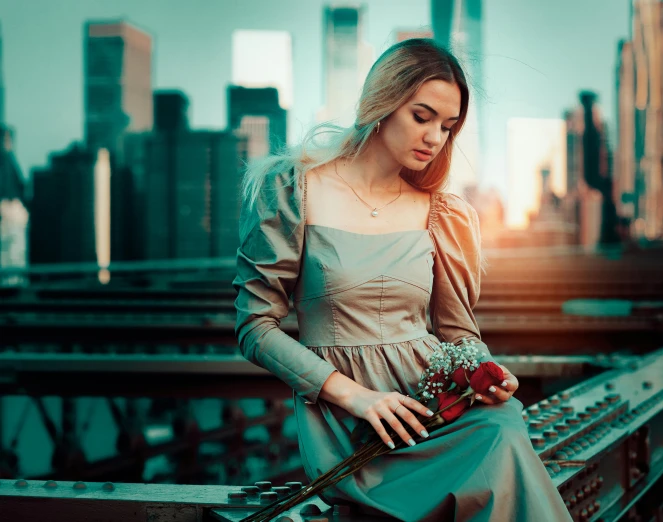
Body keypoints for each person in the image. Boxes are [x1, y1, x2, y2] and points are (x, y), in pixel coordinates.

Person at [233, 38, 571, 521]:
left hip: (439, 409)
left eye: (448, 126)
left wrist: (487, 372)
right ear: (383, 103)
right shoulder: (294, 190)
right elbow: (255, 327)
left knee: (501, 432)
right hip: (355, 424)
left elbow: (458, 335)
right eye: (422, 116)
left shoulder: (443, 215)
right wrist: (356, 396)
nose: (435, 137)